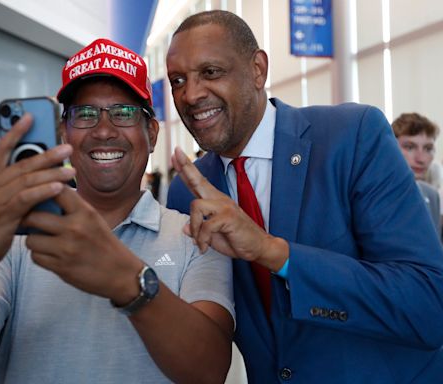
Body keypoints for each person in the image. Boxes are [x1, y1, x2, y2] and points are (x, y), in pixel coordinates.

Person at [0, 38, 234, 384]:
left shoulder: (195, 236)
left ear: (151, 133)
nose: (104, 131)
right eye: (84, 114)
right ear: (64, 134)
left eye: (123, 113)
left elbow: (209, 372)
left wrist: (128, 281)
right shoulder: (17, 240)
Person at [166, 10, 443, 384]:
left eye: (210, 72)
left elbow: (428, 306)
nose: (191, 94)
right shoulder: (187, 190)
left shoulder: (352, 136)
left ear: (258, 69)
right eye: (177, 80)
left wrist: (273, 252)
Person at [392, 112, 442, 235]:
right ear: (390, 147)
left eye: (428, 149)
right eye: (409, 147)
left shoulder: (431, 195)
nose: (421, 159)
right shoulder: (373, 193)